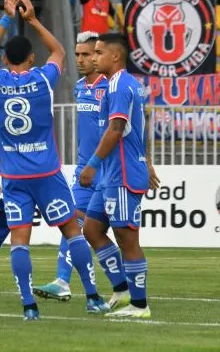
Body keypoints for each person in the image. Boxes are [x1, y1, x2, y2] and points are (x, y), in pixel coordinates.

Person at [0, 0, 109, 321]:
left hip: (13, 176)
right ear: (31, 58)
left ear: (4, 60)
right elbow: (60, 51)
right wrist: (33, 19)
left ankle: (29, 306)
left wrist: (8, 17)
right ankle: (93, 297)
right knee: (72, 231)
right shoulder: (42, 79)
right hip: (47, 173)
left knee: (19, 241)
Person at [78, 33, 159, 319]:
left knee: (127, 239)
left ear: (115, 56)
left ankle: (139, 305)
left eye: (98, 52)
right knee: (91, 229)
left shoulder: (119, 85)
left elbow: (116, 129)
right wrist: (147, 161)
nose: (93, 57)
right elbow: (138, 127)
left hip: (122, 174)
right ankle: (122, 288)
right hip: (111, 175)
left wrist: (92, 164)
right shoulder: (124, 84)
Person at [33, 32, 111, 302]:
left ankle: (127, 287)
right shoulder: (80, 86)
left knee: (116, 234)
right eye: (77, 54)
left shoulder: (111, 86)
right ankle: (62, 281)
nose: (80, 59)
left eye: (85, 54)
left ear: (98, 56)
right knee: (72, 222)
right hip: (84, 172)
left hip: (110, 171)